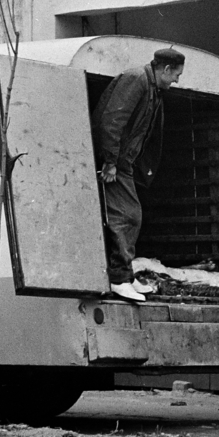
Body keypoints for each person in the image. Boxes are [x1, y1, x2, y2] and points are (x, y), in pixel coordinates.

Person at [91, 47, 184, 302]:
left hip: (123, 163)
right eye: (176, 74)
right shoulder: (137, 80)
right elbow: (112, 120)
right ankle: (119, 279)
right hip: (115, 163)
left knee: (130, 216)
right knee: (128, 216)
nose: (177, 80)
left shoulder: (152, 88)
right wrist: (110, 161)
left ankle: (125, 276)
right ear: (164, 69)